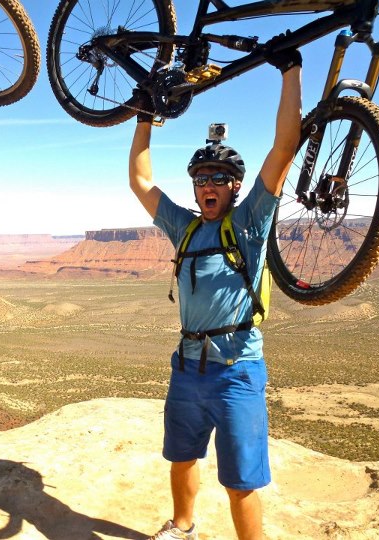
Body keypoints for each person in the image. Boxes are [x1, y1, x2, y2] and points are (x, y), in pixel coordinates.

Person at [129, 43, 302, 540]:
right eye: (201, 178)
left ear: (234, 186)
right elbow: (141, 181)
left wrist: (290, 70)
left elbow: (284, 147)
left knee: (241, 480)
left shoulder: (250, 224)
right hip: (187, 367)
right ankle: (182, 527)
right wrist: (144, 114)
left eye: (219, 179)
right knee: (181, 457)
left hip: (237, 372)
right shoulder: (183, 227)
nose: (208, 185)